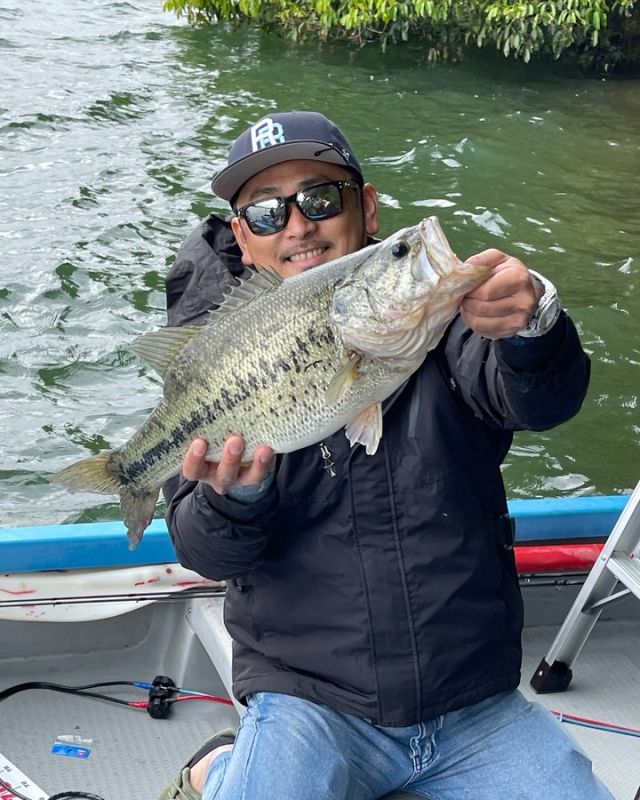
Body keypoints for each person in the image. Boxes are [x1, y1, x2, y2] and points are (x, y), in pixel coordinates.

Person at [158, 111, 611, 800]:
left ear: (365, 209)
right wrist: (236, 499)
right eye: (267, 212)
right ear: (244, 242)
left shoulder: (445, 324)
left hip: (471, 699)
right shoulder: (217, 366)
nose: (299, 225)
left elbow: (540, 400)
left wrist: (534, 326)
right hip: (307, 700)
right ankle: (219, 769)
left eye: (319, 198)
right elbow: (205, 553)